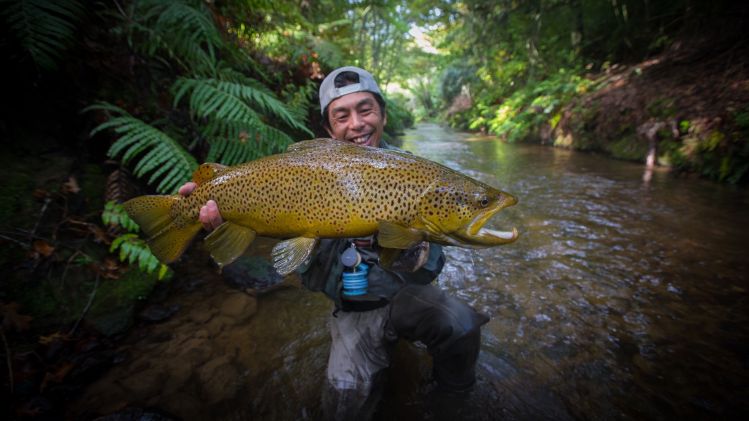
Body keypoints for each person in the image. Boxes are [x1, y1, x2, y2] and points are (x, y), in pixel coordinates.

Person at [179, 66, 488, 419]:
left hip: (403, 296)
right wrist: (219, 219)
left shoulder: (414, 174)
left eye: (366, 109)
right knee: (344, 404)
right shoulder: (300, 178)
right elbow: (308, 279)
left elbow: (430, 270)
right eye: (342, 115)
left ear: (383, 115)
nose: (356, 124)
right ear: (328, 129)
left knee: (462, 326)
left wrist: (396, 245)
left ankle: (453, 403)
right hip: (354, 310)